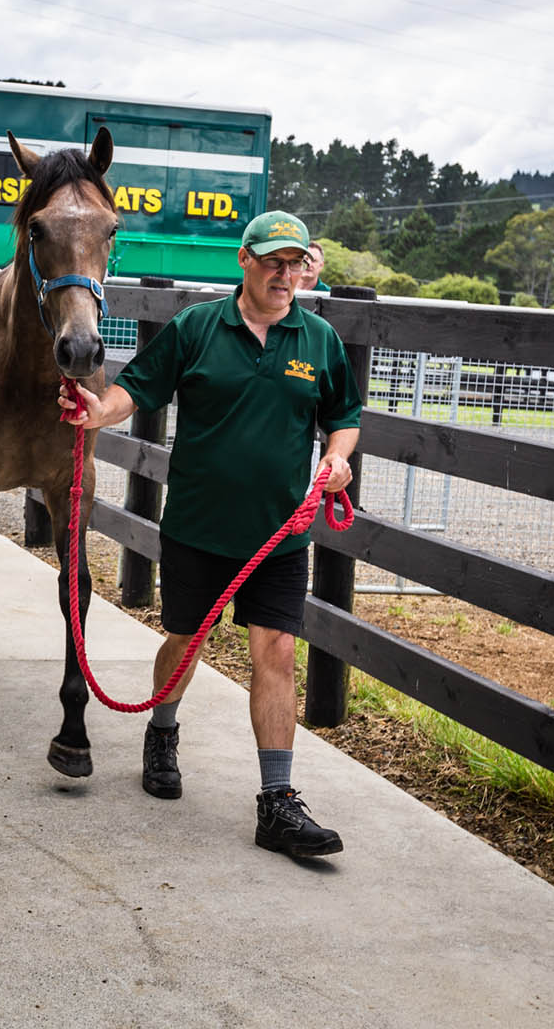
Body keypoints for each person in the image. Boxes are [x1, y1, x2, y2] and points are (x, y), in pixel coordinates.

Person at [57, 210, 362, 858]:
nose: (287, 274)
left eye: (296, 263)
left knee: (277, 652)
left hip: (280, 536)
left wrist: (339, 457)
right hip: (197, 527)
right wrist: (95, 411)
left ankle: (277, 803)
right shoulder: (197, 327)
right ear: (244, 260)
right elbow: (133, 390)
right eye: (274, 261)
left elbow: (343, 415)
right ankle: (162, 730)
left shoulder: (319, 341)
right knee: (185, 640)